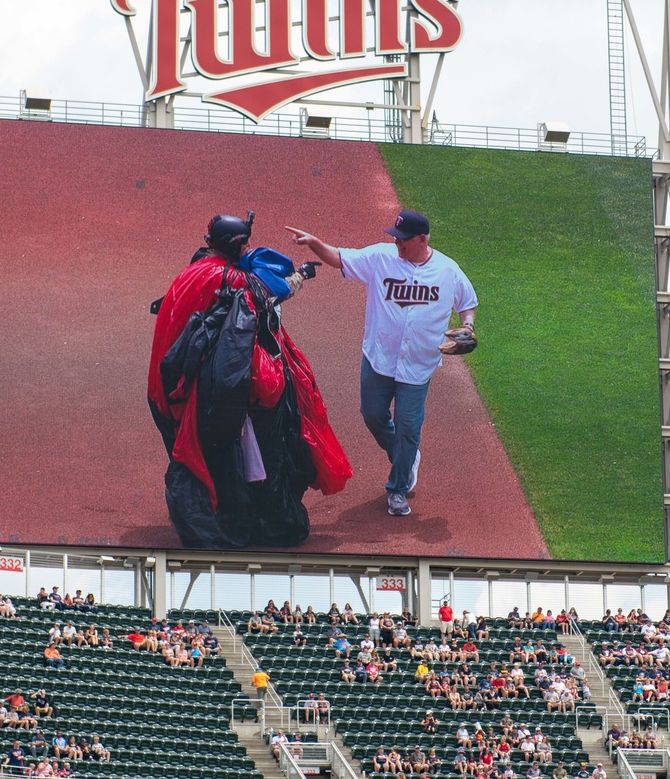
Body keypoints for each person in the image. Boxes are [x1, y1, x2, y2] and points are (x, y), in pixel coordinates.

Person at [148, 212, 351, 549]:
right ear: (234, 245)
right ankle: (238, 520)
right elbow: (267, 293)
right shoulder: (229, 280)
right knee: (227, 454)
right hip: (200, 390)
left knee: (213, 456)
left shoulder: (196, 270)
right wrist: (300, 275)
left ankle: (225, 511)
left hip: (168, 388)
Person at [287, 210, 479, 517]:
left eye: (403, 240)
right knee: (373, 415)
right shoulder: (381, 257)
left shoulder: (448, 270)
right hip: (379, 358)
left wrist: (468, 326)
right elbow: (339, 258)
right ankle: (405, 456)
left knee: (408, 426)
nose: (398, 244)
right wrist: (314, 243)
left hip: (418, 365)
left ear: (422, 239)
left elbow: (467, 304)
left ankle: (398, 488)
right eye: (395, 238)